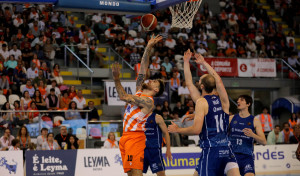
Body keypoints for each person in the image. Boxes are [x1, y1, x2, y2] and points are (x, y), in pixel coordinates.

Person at [168, 50, 240, 176]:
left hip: (212, 150)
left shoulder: (201, 102)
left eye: (200, 80)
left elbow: (196, 130)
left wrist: (177, 129)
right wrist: (204, 62)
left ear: (201, 86)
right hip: (227, 149)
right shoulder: (223, 100)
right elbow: (218, 80)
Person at [112, 35, 164, 176]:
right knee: (130, 173)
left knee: (136, 173)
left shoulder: (148, 102)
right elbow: (143, 67)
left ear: (156, 90)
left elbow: (123, 96)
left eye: (154, 82)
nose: (151, 80)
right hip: (125, 137)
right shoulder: (139, 91)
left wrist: (117, 79)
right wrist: (148, 47)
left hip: (135, 138)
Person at [228, 95, 267, 176]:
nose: (238, 101)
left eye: (241, 100)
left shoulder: (255, 121)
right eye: (238, 100)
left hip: (247, 157)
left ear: (248, 104)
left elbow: (264, 142)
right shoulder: (231, 118)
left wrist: (253, 135)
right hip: (232, 156)